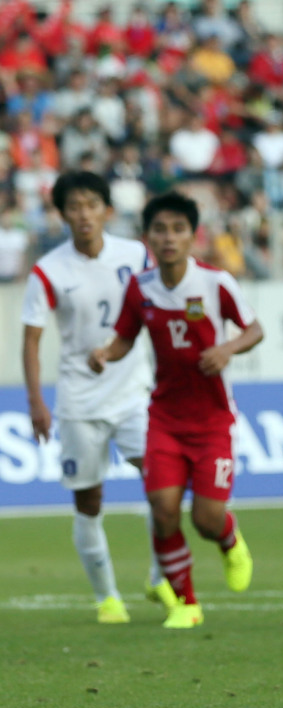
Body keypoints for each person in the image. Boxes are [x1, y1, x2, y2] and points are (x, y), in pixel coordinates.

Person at [88, 191, 263, 630]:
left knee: (205, 519)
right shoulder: (140, 288)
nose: (169, 238)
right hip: (164, 419)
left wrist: (226, 348)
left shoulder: (215, 283)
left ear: (192, 236)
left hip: (213, 421)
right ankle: (185, 602)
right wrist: (106, 353)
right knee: (162, 509)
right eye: (160, 230)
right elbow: (126, 336)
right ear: (147, 237)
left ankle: (228, 538)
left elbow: (254, 329)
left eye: (178, 230)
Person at [21, 171, 178, 624]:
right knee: (89, 502)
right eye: (74, 206)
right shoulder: (48, 270)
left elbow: (162, 306)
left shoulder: (136, 254)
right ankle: (107, 598)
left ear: (107, 210)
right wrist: (36, 402)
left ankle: (158, 579)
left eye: (91, 204)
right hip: (79, 402)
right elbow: (30, 340)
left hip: (134, 394)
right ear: (62, 214)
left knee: (162, 488)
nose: (83, 214)